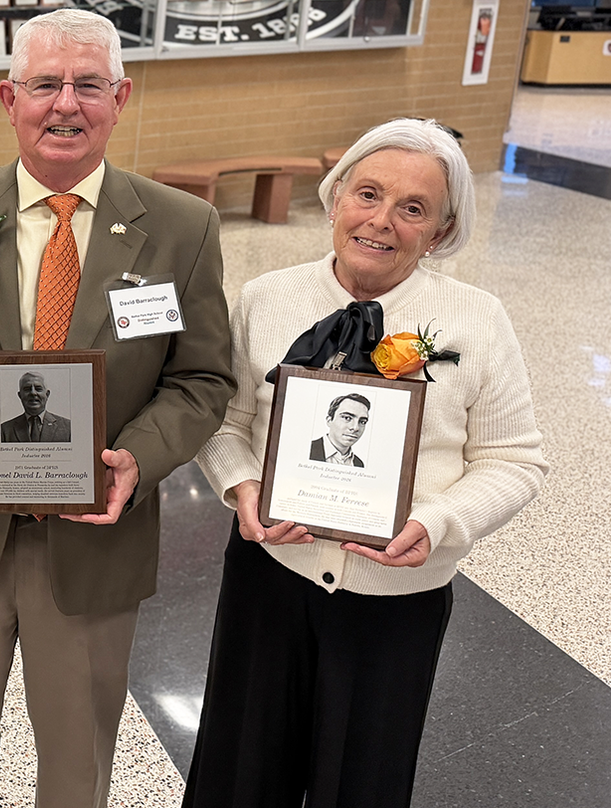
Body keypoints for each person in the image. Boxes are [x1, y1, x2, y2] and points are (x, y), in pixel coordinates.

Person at [0, 7, 234, 808]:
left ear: (122, 98)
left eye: (88, 85)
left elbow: (203, 379)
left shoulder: (182, 228)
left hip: (93, 536)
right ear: (10, 99)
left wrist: (138, 460)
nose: (65, 105)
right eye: (45, 84)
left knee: (78, 757)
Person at [182, 118, 547, 808]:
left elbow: (514, 459)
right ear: (335, 197)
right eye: (368, 194)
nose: (382, 221)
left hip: (395, 598)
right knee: (240, 771)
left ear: (440, 231)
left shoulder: (476, 319)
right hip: (270, 581)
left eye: (414, 209)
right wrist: (243, 485)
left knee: (364, 783)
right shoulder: (267, 299)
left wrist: (440, 522)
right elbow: (223, 420)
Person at [0, 371, 72, 443]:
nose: (33, 393)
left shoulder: (68, 427)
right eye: (27, 389)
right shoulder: (5, 430)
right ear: (20, 395)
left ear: (47, 394)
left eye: (38, 388)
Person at [308, 393, 369, 466]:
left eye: (362, 422)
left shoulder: (359, 464)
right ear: (329, 420)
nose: (356, 428)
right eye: (347, 418)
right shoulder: (307, 450)